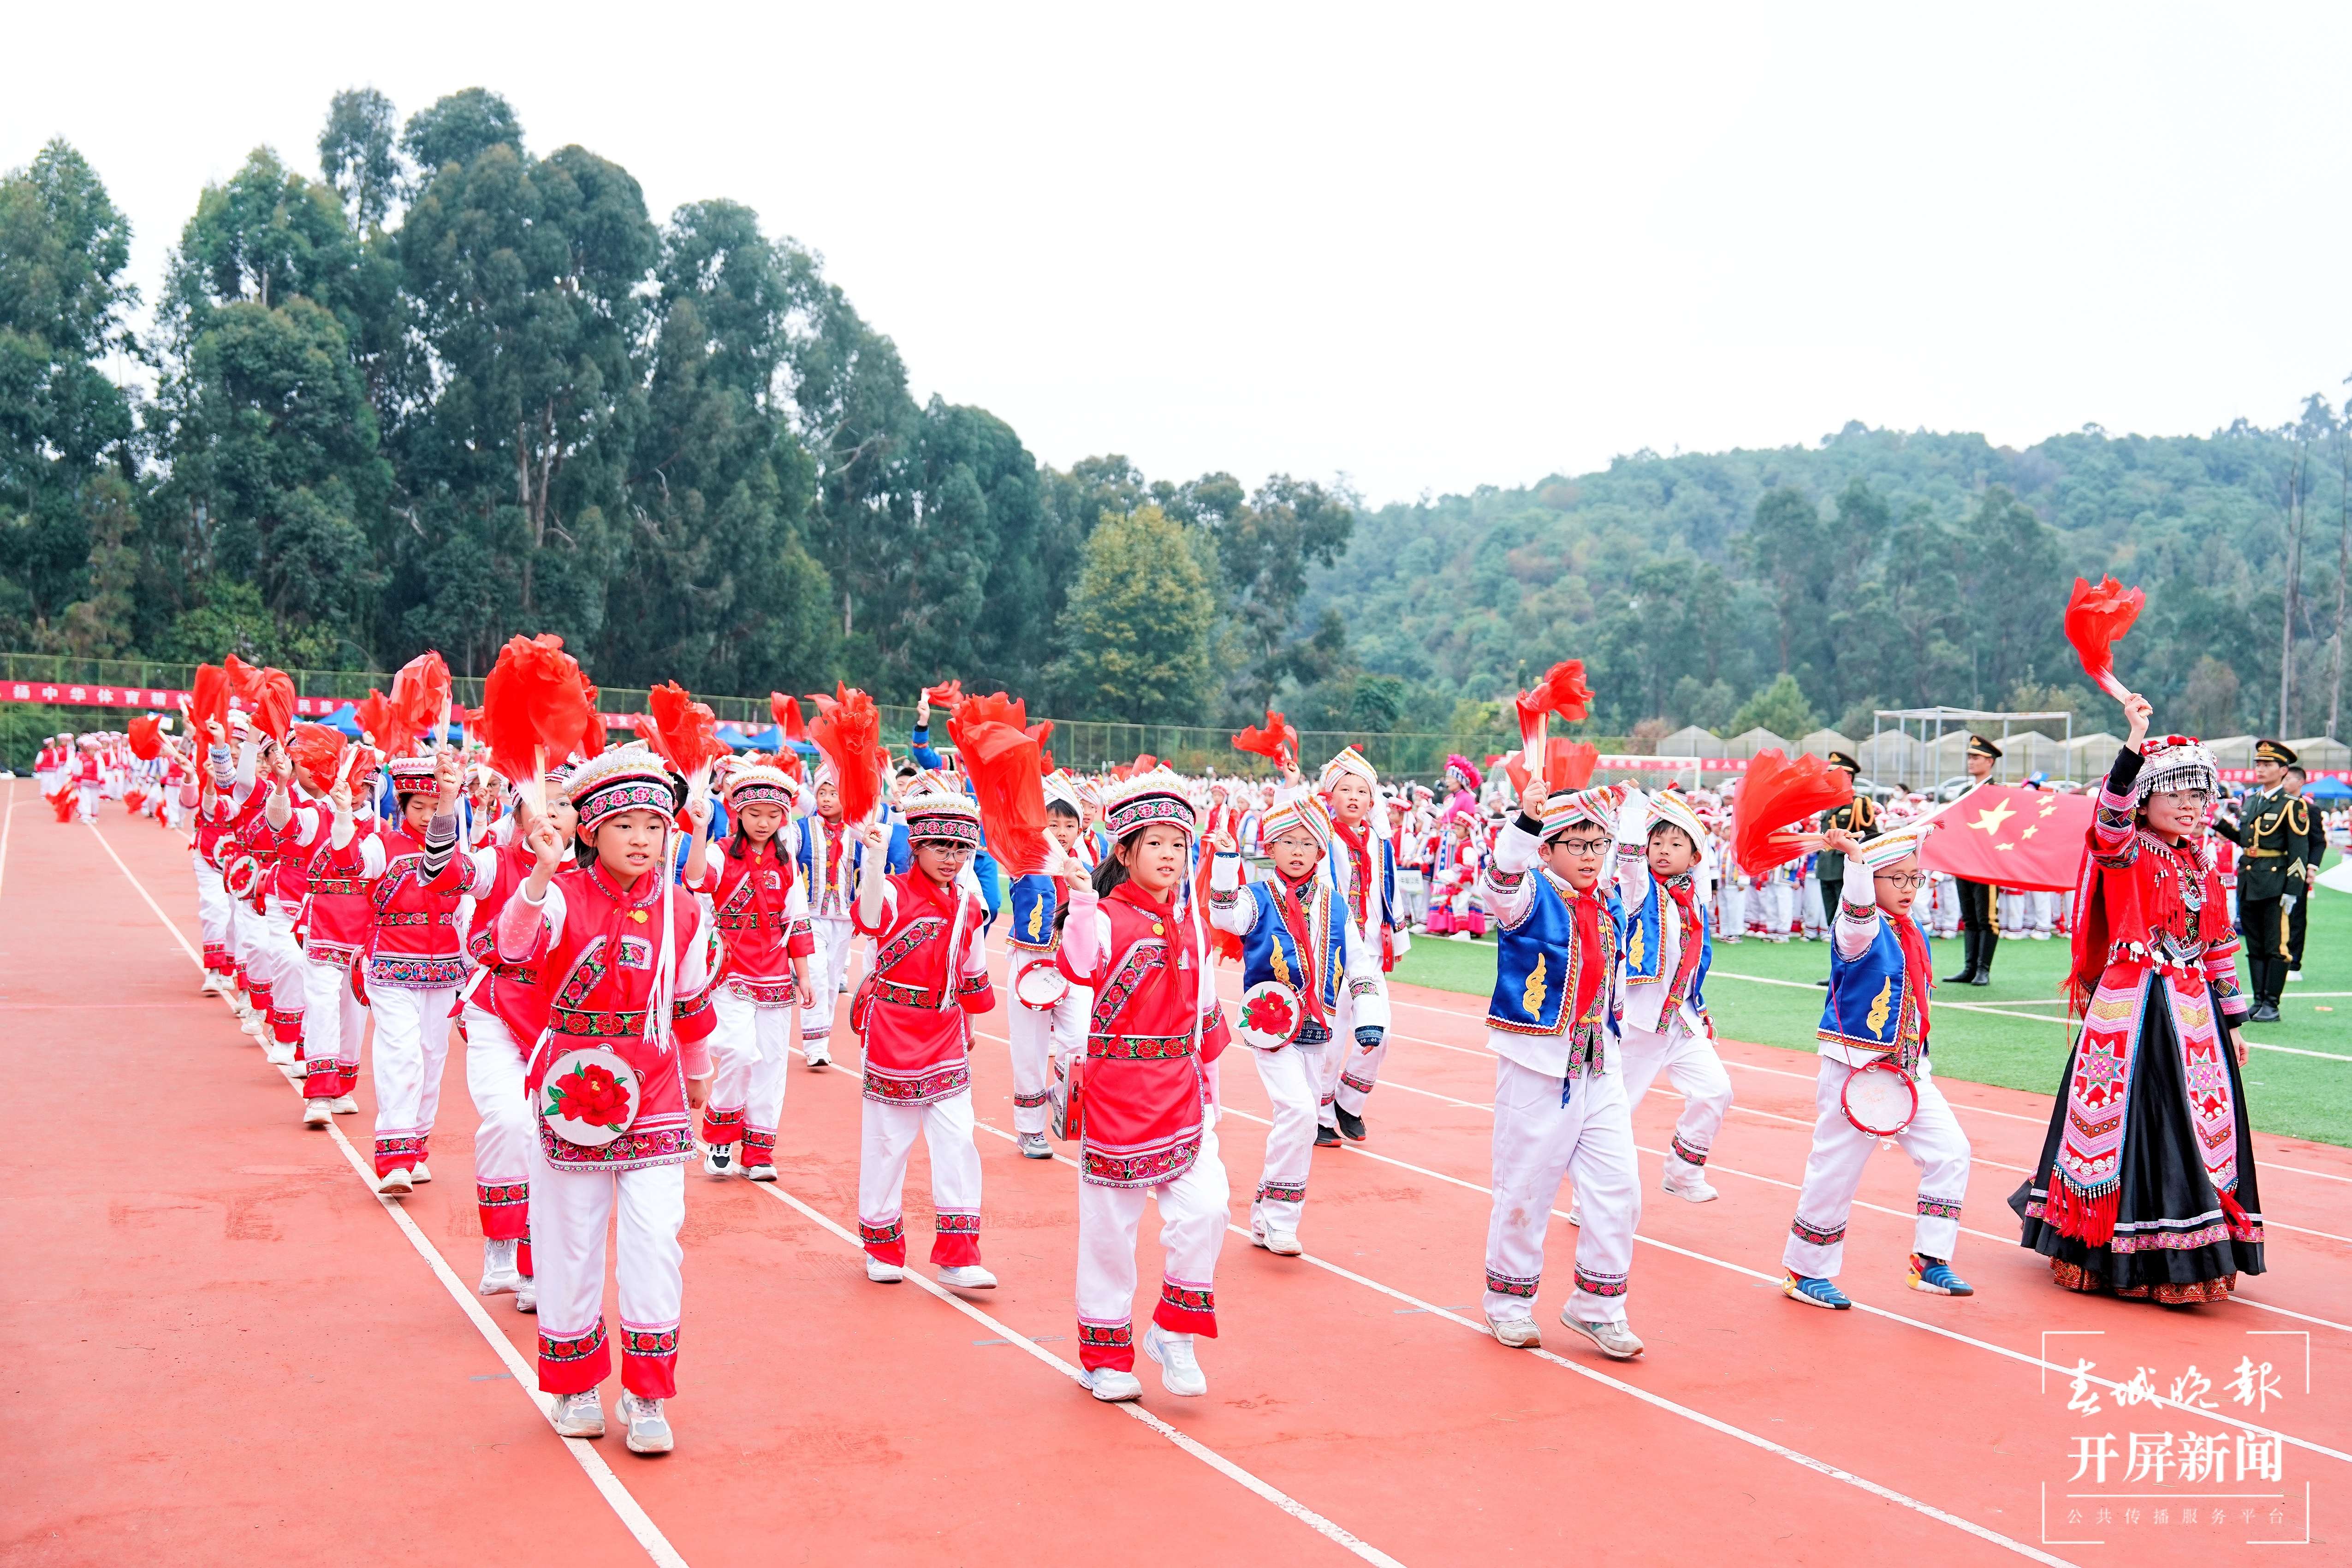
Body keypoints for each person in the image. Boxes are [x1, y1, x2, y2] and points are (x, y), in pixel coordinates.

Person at [499, 747, 721, 1454]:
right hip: (574, 1088)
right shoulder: (562, 892)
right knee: (571, 1241)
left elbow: (687, 1000)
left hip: (654, 1091)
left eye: (653, 826)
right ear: (591, 828)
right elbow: (513, 946)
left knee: (657, 1241)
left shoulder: (682, 908)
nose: (640, 839)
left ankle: (647, 1394)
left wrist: (699, 1075)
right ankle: (572, 1384)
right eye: (624, 823)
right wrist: (538, 870)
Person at [2013, 701, 2264, 1305]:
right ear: (2147, 800)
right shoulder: (2127, 851)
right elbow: (2107, 821)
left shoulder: (2203, 861)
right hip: (2133, 1011)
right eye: (2175, 794)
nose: (2190, 807)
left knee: (2204, 1127)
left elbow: (2219, 946)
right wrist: (2135, 742)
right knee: (2132, 1122)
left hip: (2195, 1013)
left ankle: (2190, 1248)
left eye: (2198, 797)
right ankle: (2120, 1255)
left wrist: (2233, 1021)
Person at [1054, 767, 1230, 1402]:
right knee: (1109, 1233)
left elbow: (1205, 1015)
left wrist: (1213, 1095)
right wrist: (1077, 902)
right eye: (1155, 843)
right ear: (1124, 852)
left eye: (1179, 845)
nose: (1170, 856)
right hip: (1115, 1095)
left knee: (1209, 1209)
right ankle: (1103, 1357)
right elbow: (1076, 966)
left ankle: (1174, 1331)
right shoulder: (1101, 917)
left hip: (1183, 1095)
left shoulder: (1192, 923)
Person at [1477, 776, 1644, 1360]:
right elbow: (1499, 879)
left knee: (1620, 1188)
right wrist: (1524, 820)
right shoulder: (1528, 897)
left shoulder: (1610, 899)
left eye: (1599, 843)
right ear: (1547, 850)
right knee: (1525, 1187)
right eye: (1578, 844)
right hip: (1538, 1062)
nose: (1591, 855)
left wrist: (1637, 809)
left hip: (1601, 1060)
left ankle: (1597, 1306)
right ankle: (1509, 1304)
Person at [1780, 822, 1974, 1308]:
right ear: (1873, 881)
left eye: (1916, 878)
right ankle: (1806, 1272)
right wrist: (1858, 863)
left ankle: (1930, 1260)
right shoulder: (1858, 932)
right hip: (1856, 1068)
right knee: (1837, 1168)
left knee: (1951, 1150)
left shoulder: (1912, 931)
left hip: (1909, 1069)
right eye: (1898, 879)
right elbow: (1857, 913)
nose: (1909, 889)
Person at [848, 789, 998, 1291]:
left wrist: (970, 1023)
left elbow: (972, 971)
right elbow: (869, 919)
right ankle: (882, 1246)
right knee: (888, 1143)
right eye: (940, 847)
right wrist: (871, 858)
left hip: (946, 1032)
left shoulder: (969, 905)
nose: (950, 858)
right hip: (893, 1027)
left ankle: (959, 1254)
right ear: (916, 845)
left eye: (960, 849)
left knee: (958, 1140)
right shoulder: (891, 891)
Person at [1209, 774, 1364, 1254]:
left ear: (1321, 853)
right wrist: (1227, 862)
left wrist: (1371, 1013)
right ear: (1271, 848)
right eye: (1288, 842)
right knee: (1298, 1110)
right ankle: (1278, 1218)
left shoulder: (1336, 904)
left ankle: (1267, 1218)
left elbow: (1359, 961)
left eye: (1307, 843)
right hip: (1271, 1028)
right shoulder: (1256, 896)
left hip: (1319, 1029)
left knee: (1299, 1114)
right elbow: (1223, 916)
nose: (1298, 851)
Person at [691, 763, 814, 1181]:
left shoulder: (787, 862)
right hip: (730, 969)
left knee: (772, 1064)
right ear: (738, 812)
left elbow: (796, 921)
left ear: (784, 818)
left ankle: (759, 1152)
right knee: (739, 1054)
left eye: (774, 815)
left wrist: (806, 975)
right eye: (756, 813)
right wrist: (697, 831)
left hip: (776, 973)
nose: (764, 822)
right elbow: (695, 880)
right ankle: (721, 1137)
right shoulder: (720, 851)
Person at [1613, 787, 1733, 1203]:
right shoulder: (1639, 890)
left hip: (1683, 1018)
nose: (1663, 850)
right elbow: (1628, 865)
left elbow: (1703, 860)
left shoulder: (1695, 895)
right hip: (1639, 1021)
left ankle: (1682, 1173)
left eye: (1675, 844)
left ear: (1695, 857)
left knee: (1716, 1091)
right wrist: (1633, 810)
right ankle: (1593, 1198)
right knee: (1617, 1112)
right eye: (1656, 842)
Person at [1313, 747, 1409, 1144]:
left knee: (1379, 1033)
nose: (1354, 797)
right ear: (1330, 797)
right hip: (1332, 953)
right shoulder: (1321, 837)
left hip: (1368, 952)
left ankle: (1349, 1104)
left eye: (1362, 791)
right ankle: (1319, 1115)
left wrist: (1396, 938)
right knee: (1332, 1038)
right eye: (1345, 789)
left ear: (1372, 800)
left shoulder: (1380, 842)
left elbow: (1390, 890)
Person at [1002, 773, 1092, 1158]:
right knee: (1030, 1050)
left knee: (1080, 1042)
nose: (1061, 832)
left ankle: (1061, 1097)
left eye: (1069, 824)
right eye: (1052, 824)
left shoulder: (1088, 862)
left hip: (1071, 965)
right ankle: (1029, 1130)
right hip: (1029, 965)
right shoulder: (1021, 857)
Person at [2213, 738, 2307, 1022]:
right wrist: (2219, 823)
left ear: (2283, 770)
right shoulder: (2253, 800)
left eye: (2268, 765)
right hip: (2250, 879)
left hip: (2276, 882)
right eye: (2259, 764)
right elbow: (2246, 841)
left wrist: (2292, 891)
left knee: (2275, 944)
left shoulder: (2292, 805)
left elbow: (2299, 852)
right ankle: (2258, 1001)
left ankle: (2272, 1003)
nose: (2261, 769)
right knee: (2254, 944)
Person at [793, 763, 861, 1068]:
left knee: (833, 981)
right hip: (811, 917)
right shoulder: (800, 829)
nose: (827, 799)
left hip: (844, 919)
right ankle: (815, 1045)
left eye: (834, 793)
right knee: (817, 974)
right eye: (822, 792)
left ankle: (823, 1037)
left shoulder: (857, 834)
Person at [1942, 734, 2002, 986]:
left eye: (1976, 757)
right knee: (1968, 917)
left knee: (1986, 917)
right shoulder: (1966, 791)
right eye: (1969, 756)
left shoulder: (1998, 792)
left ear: (1989, 762)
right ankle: (1969, 968)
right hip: (1965, 861)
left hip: (1987, 864)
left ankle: (1983, 969)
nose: (1971, 761)